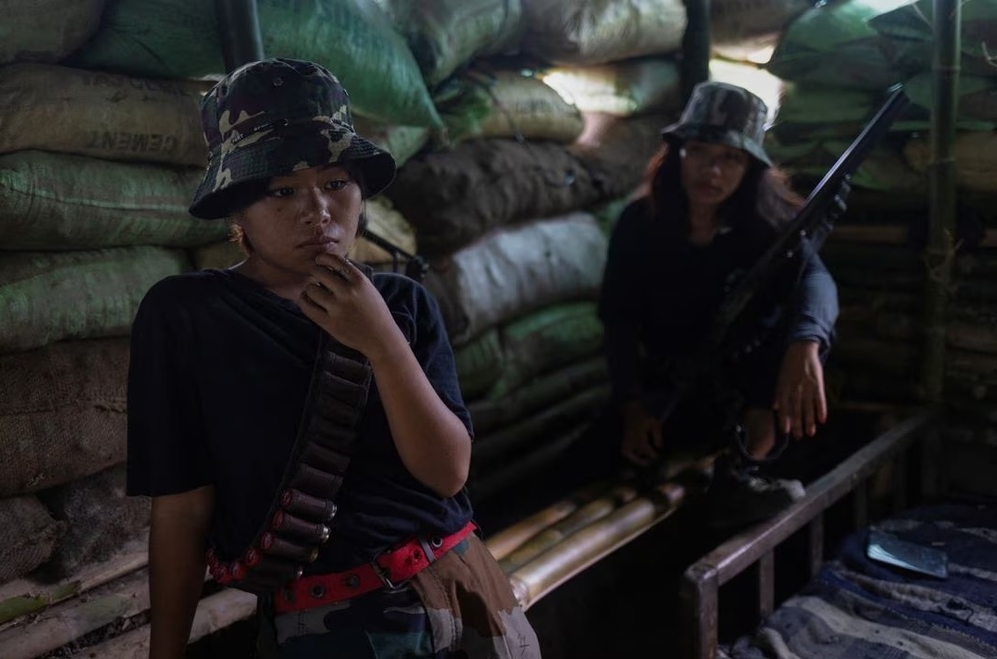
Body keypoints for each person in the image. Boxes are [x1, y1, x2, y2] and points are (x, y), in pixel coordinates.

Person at [126, 58, 541, 659]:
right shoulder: (188, 314)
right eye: (282, 191)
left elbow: (447, 473)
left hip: (468, 594)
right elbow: (182, 506)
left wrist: (380, 340)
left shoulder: (401, 302)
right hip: (331, 627)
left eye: (336, 183)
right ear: (236, 210)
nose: (317, 210)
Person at [596, 81, 840, 529]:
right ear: (679, 154)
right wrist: (631, 403)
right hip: (671, 380)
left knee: (796, 333)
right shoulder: (639, 225)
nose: (713, 171)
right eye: (702, 152)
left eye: (731, 158)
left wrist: (805, 345)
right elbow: (619, 319)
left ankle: (746, 469)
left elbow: (817, 281)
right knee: (602, 460)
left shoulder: (771, 228)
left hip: (751, 384)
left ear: (750, 168)